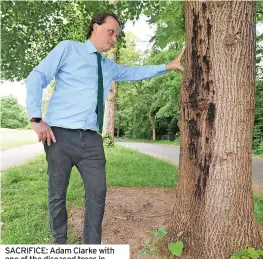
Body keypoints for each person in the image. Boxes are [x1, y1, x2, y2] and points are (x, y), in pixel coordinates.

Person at [26, 12, 185, 245]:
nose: (114, 39)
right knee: (57, 193)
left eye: (117, 36)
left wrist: (167, 66)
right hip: (59, 136)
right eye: (111, 32)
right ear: (95, 26)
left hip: (91, 140)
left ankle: (91, 248)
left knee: (97, 193)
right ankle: (59, 242)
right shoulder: (68, 49)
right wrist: (36, 119)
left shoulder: (108, 66)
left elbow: (135, 72)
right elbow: (37, 76)